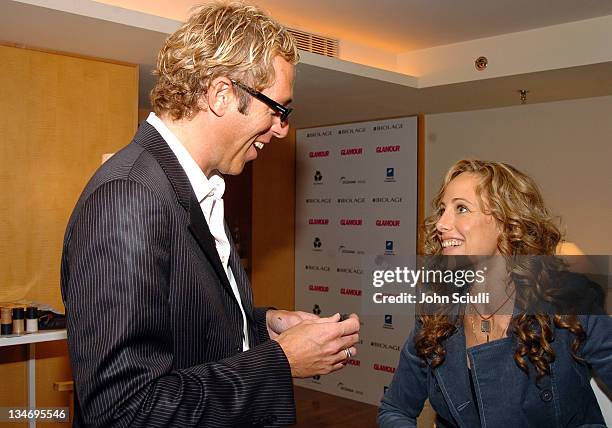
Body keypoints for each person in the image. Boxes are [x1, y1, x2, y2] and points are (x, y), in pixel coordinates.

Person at [60, 2, 359, 426]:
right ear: (222, 94)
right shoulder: (129, 197)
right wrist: (279, 361)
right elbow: (125, 411)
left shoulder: (192, 188)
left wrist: (261, 327)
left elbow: (185, 330)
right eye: (278, 109)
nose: (282, 128)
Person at [378, 159, 610, 427]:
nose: (441, 224)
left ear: (506, 223)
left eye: (461, 209)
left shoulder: (568, 302)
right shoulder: (437, 313)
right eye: (442, 210)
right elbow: (394, 409)